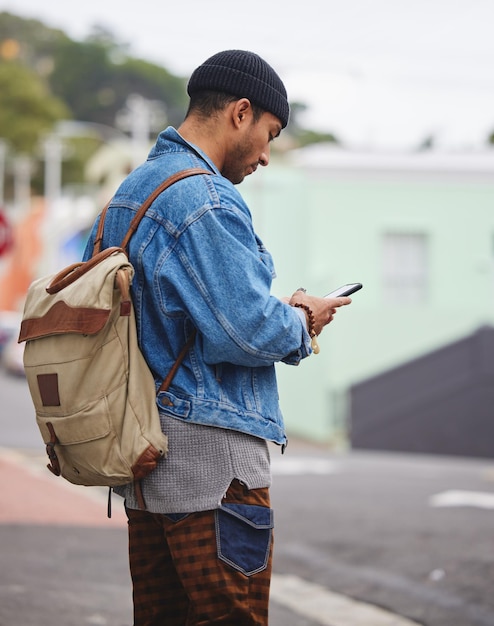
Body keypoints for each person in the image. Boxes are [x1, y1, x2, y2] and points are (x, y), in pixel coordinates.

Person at [83, 49, 352, 626]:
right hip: (213, 469)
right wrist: (304, 320)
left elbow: (179, 316)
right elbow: (247, 331)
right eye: (269, 134)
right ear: (240, 112)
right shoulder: (205, 198)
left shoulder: (131, 193)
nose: (266, 155)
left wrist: (271, 310)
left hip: (144, 463)